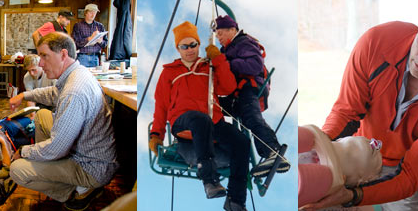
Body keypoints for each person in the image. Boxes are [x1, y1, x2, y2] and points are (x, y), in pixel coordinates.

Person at [301, 2, 418, 210]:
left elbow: (410, 176)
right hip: (360, 153)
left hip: (409, 168)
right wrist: (320, 147)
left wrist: (352, 195)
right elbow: (346, 112)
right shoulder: (376, 42)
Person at [5, 32, 116, 210]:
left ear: (63, 54)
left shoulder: (74, 92)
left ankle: (76, 191)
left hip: (91, 167)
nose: (40, 63)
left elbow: (57, 148)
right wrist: (24, 95)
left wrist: (23, 151)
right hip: (90, 153)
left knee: (17, 170)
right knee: (42, 115)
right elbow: (53, 93)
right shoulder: (76, 73)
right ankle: (53, 171)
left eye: (44, 56)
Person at [147, 21, 251, 210]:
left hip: (213, 121)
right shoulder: (169, 72)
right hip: (183, 122)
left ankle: (236, 200)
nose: (189, 50)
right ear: (178, 48)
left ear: (199, 44)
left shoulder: (209, 66)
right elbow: (161, 105)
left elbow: (228, 88)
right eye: (184, 46)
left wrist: (219, 60)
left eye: (193, 45)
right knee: (199, 119)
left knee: (242, 143)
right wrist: (156, 135)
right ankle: (209, 180)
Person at [211, 15, 290, 177]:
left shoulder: (243, 43)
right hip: (236, 93)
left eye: (220, 33)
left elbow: (254, 65)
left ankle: (273, 152)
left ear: (232, 30)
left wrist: (226, 62)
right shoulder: (227, 50)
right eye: (216, 35)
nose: (218, 38)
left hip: (249, 87)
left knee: (251, 117)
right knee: (212, 107)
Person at [297, 125, 383, 207]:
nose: (372, 144)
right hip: (317, 146)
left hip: (324, 173)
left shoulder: (328, 179)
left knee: (321, 178)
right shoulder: (312, 138)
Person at [71, 4, 107, 68]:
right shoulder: (78, 26)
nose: (93, 15)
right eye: (91, 12)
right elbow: (75, 44)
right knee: (82, 77)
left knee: (94, 77)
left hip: (95, 57)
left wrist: (100, 41)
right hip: (82, 57)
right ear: (85, 13)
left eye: (95, 12)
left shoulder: (100, 26)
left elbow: (105, 44)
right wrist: (89, 39)